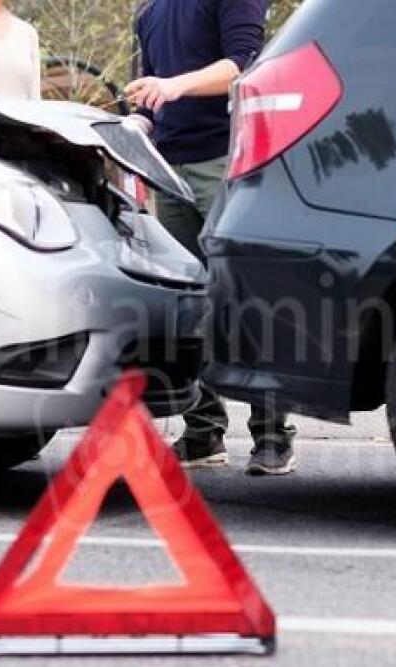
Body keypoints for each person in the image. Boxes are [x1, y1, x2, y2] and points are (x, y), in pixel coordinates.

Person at [126, 0, 297, 476]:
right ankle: (203, 432)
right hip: (169, 167)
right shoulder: (150, 10)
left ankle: (272, 436)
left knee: (248, 298)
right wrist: (137, 122)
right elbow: (154, 88)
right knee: (190, 303)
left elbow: (243, 67)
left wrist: (175, 86)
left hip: (226, 161)